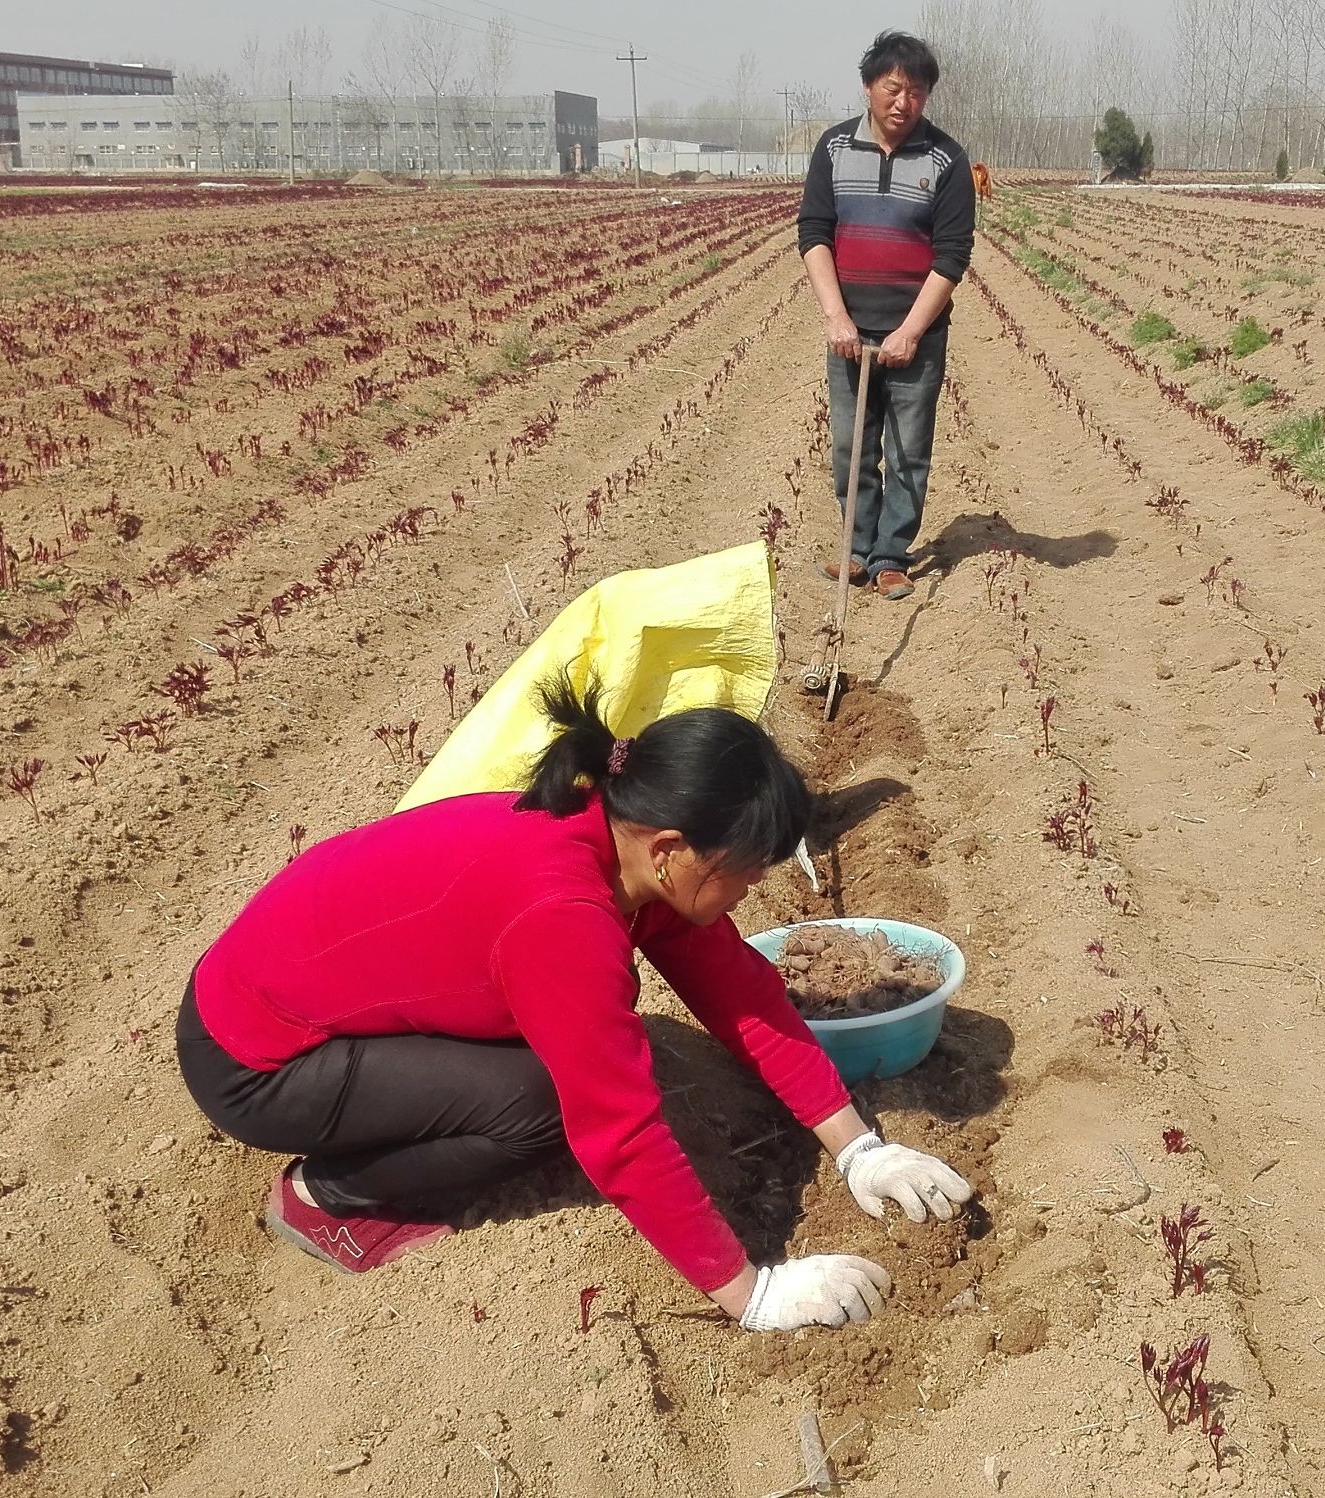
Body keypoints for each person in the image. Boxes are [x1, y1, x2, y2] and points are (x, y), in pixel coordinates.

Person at [176, 679, 975, 1331]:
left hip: (284, 997)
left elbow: (736, 986)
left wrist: (859, 1148)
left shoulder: (617, 839)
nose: (752, 889)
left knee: (576, 1056)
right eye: (745, 871)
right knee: (541, 1105)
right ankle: (327, 1198)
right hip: (253, 1059)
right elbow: (618, 1131)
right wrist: (751, 1294)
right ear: (671, 850)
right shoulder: (562, 917)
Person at [796, 30, 976, 603]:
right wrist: (835, 317)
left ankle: (891, 554)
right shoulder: (832, 149)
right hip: (849, 332)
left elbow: (952, 256)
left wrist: (910, 332)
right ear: (869, 87)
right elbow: (814, 234)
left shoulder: (946, 159)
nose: (904, 102)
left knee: (907, 451)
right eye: (893, 89)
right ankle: (855, 547)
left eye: (916, 92)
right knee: (851, 446)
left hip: (915, 337)